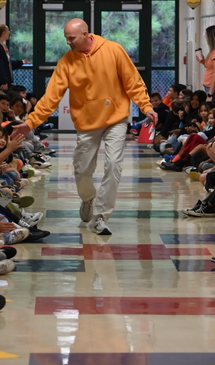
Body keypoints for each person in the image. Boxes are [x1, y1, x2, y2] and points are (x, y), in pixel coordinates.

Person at [15, 19, 156, 236]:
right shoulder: (66, 62)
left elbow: (133, 82)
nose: (68, 42)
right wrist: (31, 122)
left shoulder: (113, 50)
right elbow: (51, 97)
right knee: (82, 170)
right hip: (87, 123)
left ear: (85, 34)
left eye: (71, 38)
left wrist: (146, 106)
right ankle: (88, 198)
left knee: (113, 165)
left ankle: (101, 216)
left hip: (116, 119)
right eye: (66, 38)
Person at [0, 24, 28, 93]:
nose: (9, 32)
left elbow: (7, 63)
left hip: (3, 82)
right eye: (8, 30)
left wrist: (21, 62)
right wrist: (3, 81)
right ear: (3, 32)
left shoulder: (1, 45)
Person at [196, 25, 215, 107]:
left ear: (211, 37)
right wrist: (203, 61)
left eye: (206, 36)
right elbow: (211, 68)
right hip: (211, 87)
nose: (206, 39)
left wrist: (210, 94)